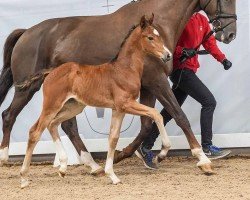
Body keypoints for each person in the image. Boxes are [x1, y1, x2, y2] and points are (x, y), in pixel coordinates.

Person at [136, 12, 232, 170]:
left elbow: (209, 43)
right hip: (180, 70)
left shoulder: (201, 20)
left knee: (169, 111)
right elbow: (169, 43)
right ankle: (207, 146)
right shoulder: (180, 19)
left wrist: (222, 59)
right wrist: (181, 51)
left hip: (190, 70)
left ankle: (145, 145)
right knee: (209, 102)